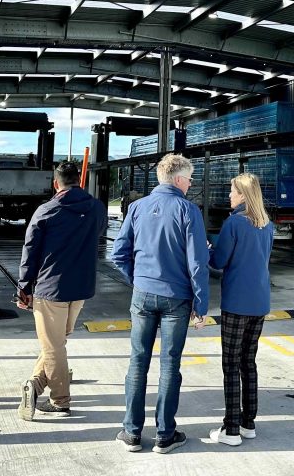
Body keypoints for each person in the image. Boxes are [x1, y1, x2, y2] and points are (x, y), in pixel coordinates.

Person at [111, 153, 209, 454]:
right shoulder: (188, 210)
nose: (190, 184)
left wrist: (138, 279)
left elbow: (119, 253)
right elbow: (197, 262)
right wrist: (200, 303)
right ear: (179, 179)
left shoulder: (137, 208)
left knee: (138, 361)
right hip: (176, 299)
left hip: (142, 293)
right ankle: (165, 435)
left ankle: (131, 433)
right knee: (170, 364)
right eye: (190, 179)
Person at [16, 161, 106, 421]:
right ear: (79, 180)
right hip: (80, 288)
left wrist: (24, 285)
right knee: (55, 343)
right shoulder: (96, 208)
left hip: (51, 288)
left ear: (56, 183)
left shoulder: (46, 210)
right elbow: (98, 233)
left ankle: (59, 400)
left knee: (53, 346)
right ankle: (34, 385)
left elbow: (30, 250)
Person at [208, 173, 274, 446]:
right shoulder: (267, 225)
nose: (229, 196)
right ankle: (249, 423)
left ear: (244, 195)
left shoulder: (234, 223)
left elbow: (220, 261)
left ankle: (231, 429)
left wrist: (208, 248)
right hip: (260, 302)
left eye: (232, 191)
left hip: (236, 303)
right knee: (249, 363)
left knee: (230, 364)